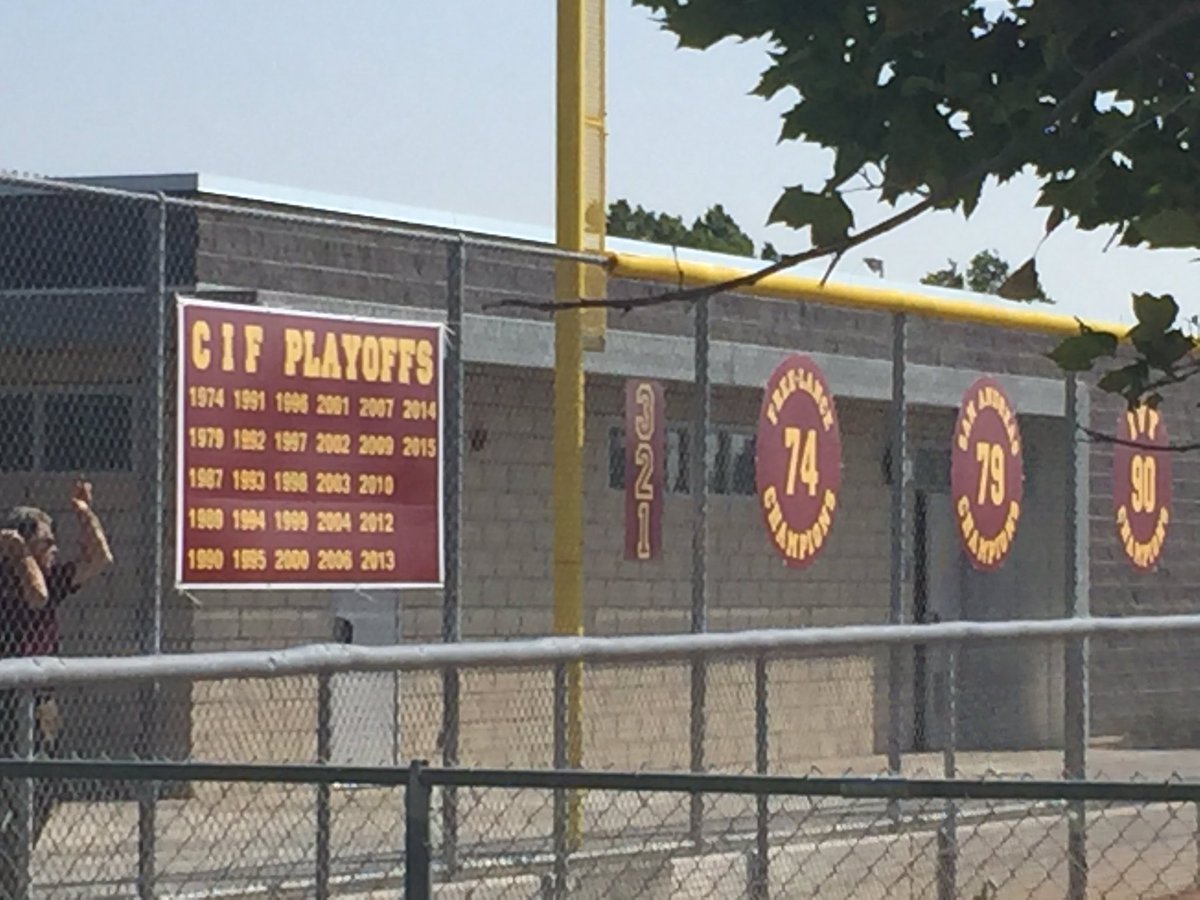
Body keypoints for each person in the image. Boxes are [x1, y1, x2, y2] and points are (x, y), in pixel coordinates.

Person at [0, 480, 112, 891]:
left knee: (44, 787)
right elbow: (36, 597)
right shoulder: (10, 578)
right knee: (9, 789)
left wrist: (85, 513)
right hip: (5, 700)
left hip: (40, 702)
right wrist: (18, 554)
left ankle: (11, 870)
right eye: (46, 543)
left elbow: (100, 559)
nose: (54, 550)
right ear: (23, 546)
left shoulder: (50, 574)